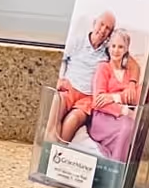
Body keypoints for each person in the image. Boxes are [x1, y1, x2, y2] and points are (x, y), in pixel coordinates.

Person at [49, 10, 114, 143]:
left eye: (108, 28)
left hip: (87, 98)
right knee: (55, 109)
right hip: (69, 88)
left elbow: (127, 59)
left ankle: (58, 152)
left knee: (72, 120)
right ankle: (49, 149)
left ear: (110, 34)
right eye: (101, 24)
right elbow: (61, 59)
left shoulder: (109, 53)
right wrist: (60, 78)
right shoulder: (77, 41)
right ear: (94, 23)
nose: (102, 30)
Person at [88, 28, 142, 163]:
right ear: (108, 47)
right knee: (127, 127)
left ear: (126, 49)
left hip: (123, 118)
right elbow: (98, 102)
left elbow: (134, 97)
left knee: (129, 127)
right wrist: (124, 109)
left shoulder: (130, 74)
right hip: (103, 118)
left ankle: (118, 167)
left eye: (120, 47)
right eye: (113, 46)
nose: (116, 50)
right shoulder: (103, 68)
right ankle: (116, 166)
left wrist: (113, 97)